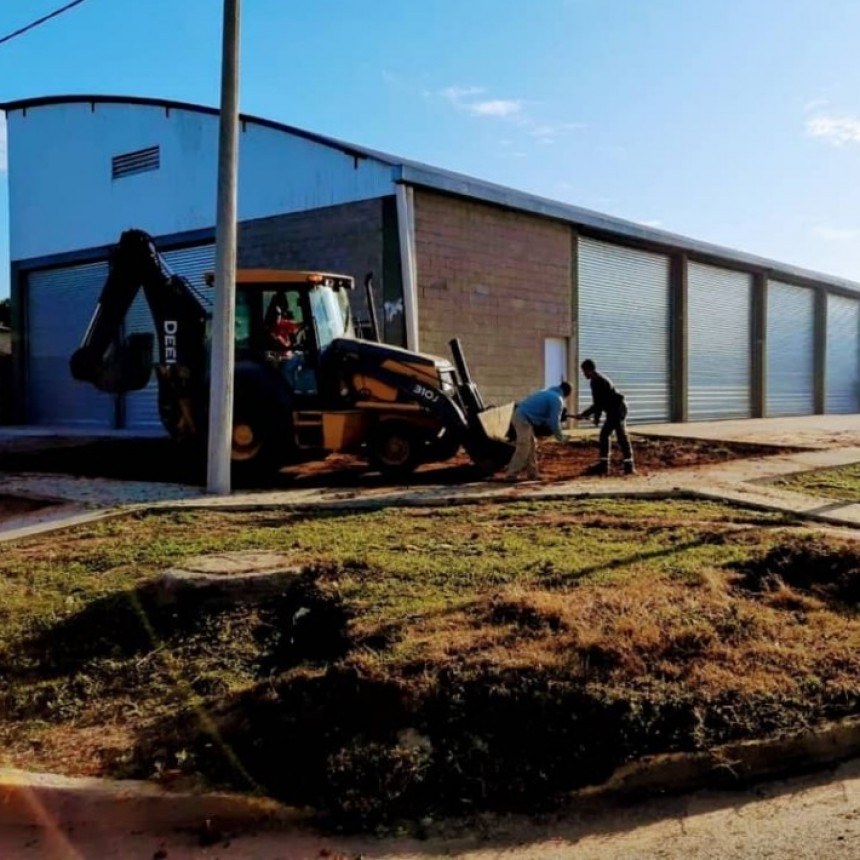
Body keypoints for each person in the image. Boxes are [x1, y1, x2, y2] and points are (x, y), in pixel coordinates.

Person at [495, 381, 572, 483]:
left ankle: (533, 474)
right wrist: (560, 437)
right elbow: (554, 422)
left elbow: (542, 415)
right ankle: (511, 474)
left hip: (520, 416)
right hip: (523, 419)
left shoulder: (546, 392)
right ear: (567, 393)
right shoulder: (557, 400)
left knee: (531, 445)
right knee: (524, 446)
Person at [575, 358, 635, 476]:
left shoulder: (598, 381)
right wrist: (595, 417)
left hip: (617, 409)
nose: (584, 374)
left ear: (589, 370)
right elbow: (599, 402)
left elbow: (598, 404)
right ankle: (623, 465)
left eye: (584, 372)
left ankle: (608, 465)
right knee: (615, 435)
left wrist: (584, 415)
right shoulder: (596, 380)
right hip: (615, 409)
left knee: (613, 435)